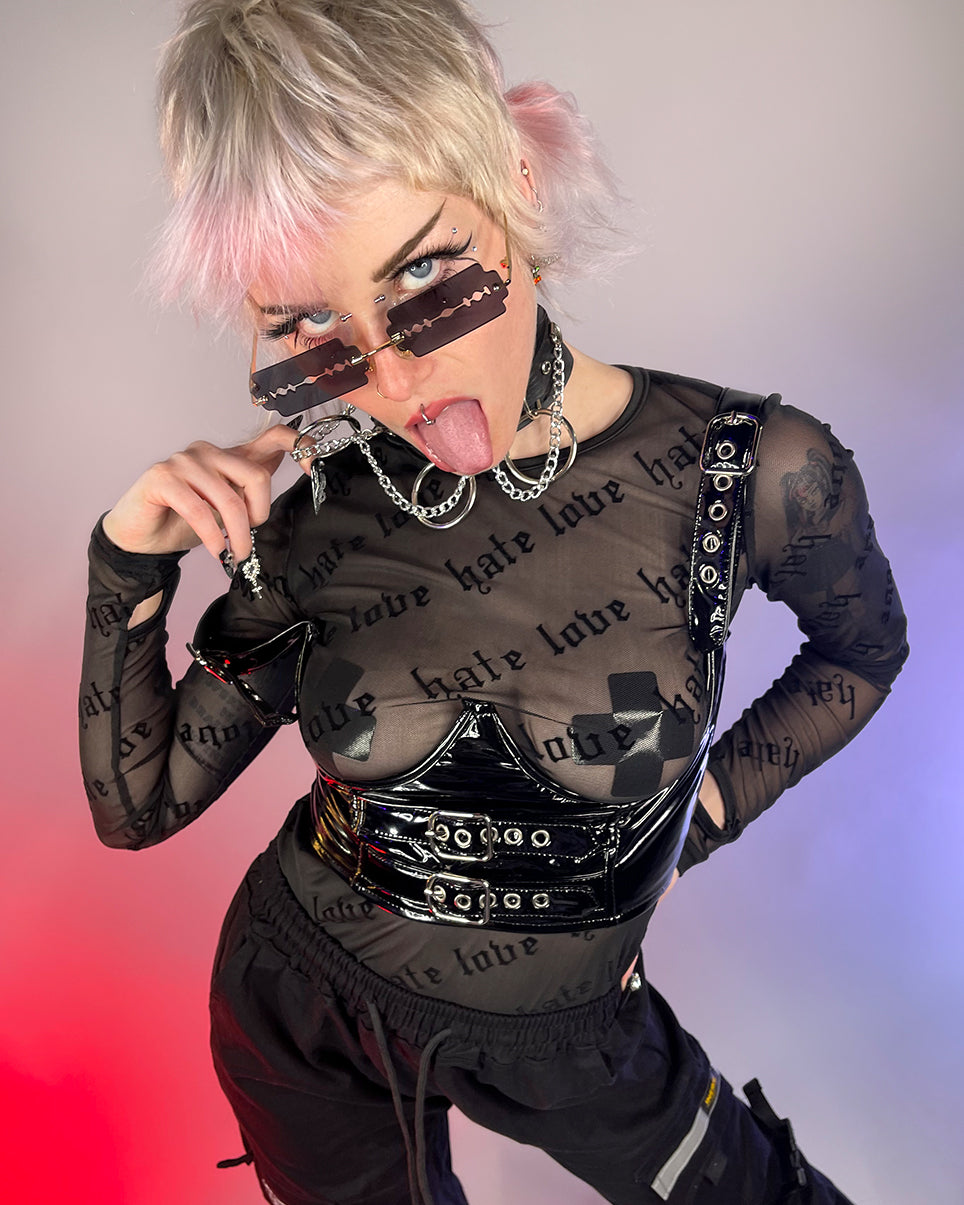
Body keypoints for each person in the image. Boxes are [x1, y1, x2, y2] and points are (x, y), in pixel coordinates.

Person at [78, 2, 908, 1202]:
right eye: (310, 328)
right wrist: (127, 563)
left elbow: (858, 656)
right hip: (303, 1006)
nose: (390, 376)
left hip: (576, 1036)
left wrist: (700, 817)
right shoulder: (319, 518)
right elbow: (140, 803)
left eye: (424, 275)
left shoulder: (752, 471)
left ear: (515, 179)